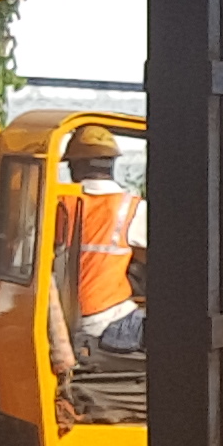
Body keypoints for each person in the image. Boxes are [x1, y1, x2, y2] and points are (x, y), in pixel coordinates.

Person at [50, 127, 143, 365]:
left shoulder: (57, 205)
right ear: (112, 164)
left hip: (64, 318)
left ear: (75, 167)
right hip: (109, 322)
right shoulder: (132, 208)